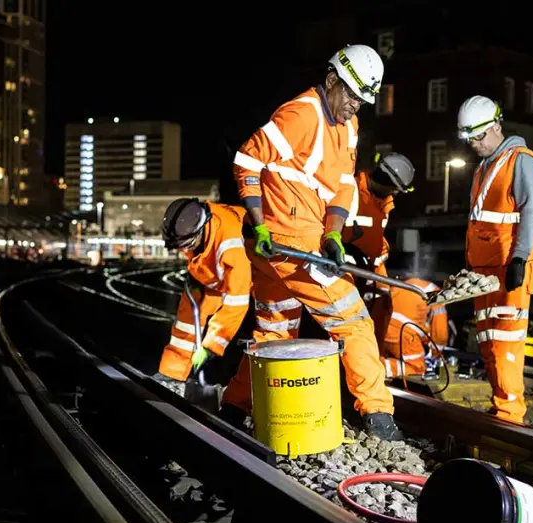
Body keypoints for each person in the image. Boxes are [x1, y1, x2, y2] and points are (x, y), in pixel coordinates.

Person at [220, 44, 403, 441]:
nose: (355, 105)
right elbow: (248, 161)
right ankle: (378, 415)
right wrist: (259, 224)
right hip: (287, 242)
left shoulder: (349, 127)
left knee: (274, 330)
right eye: (351, 95)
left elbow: (339, 187)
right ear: (332, 80)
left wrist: (334, 234)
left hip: (297, 245)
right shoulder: (301, 114)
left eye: (362, 99)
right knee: (353, 321)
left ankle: (234, 407)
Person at [457, 95, 533, 424]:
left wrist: (520, 258)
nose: (475, 145)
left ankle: (509, 420)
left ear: (495, 126)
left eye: (479, 137)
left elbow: (531, 215)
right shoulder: (484, 167)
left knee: (506, 346)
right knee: (490, 345)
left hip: (510, 271)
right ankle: (502, 415)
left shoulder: (521, 161)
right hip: (484, 274)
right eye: (470, 139)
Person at [155, 198, 252, 397]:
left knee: (249, 340)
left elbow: (237, 302)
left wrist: (211, 346)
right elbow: (188, 319)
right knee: (187, 318)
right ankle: (172, 376)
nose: (184, 251)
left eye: (187, 245)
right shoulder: (195, 235)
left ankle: (240, 399)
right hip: (213, 275)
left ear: (200, 231)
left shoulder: (231, 245)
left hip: (256, 281)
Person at [342, 152, 415, 345]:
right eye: (396, 188)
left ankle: (373, 360)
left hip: (371, 269)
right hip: (346, 268)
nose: (397, 193)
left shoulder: (384, 203)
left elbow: (374, 233)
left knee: (382, 307)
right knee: (346, 318)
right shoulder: (351, 190)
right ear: (388, 182)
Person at [381, 278, 448, 377]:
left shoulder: (404, 284)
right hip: (404, 337)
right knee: (418, 368)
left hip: (382, 332)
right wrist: (436, 354)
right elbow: (439, 334)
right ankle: (376, 368)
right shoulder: (436, 294)